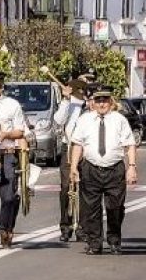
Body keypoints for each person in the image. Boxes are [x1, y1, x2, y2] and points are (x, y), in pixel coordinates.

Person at [69, 85, 137, 255]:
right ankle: (94, 243)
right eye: (98, 100)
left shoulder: (119, 120)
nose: (101, 104)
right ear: (93, 102)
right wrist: (73, 167)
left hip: (114, 170)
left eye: (104, 100)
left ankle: (114, 240)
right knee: (91, 209)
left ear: (110, 101)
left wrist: (131, 167)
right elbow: (77, 144)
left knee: (115, 207)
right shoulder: (84, 120)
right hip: (91, 168)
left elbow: (130, 145)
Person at [0, 72, 27, 247]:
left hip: (7, 153)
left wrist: (6, 134)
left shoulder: (12, 104)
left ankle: (5, 228)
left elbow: (20, 131)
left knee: (8, 196)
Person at [53, 76, 89, 242]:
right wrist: (66, 100)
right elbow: (58, 121)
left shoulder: (91, 107)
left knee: (86, 190)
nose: (82, 91)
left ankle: (82, 227)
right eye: (79, 88)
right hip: (69, 148)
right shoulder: (69, 104)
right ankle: (65, 226)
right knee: (67, 187)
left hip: (88, 151)